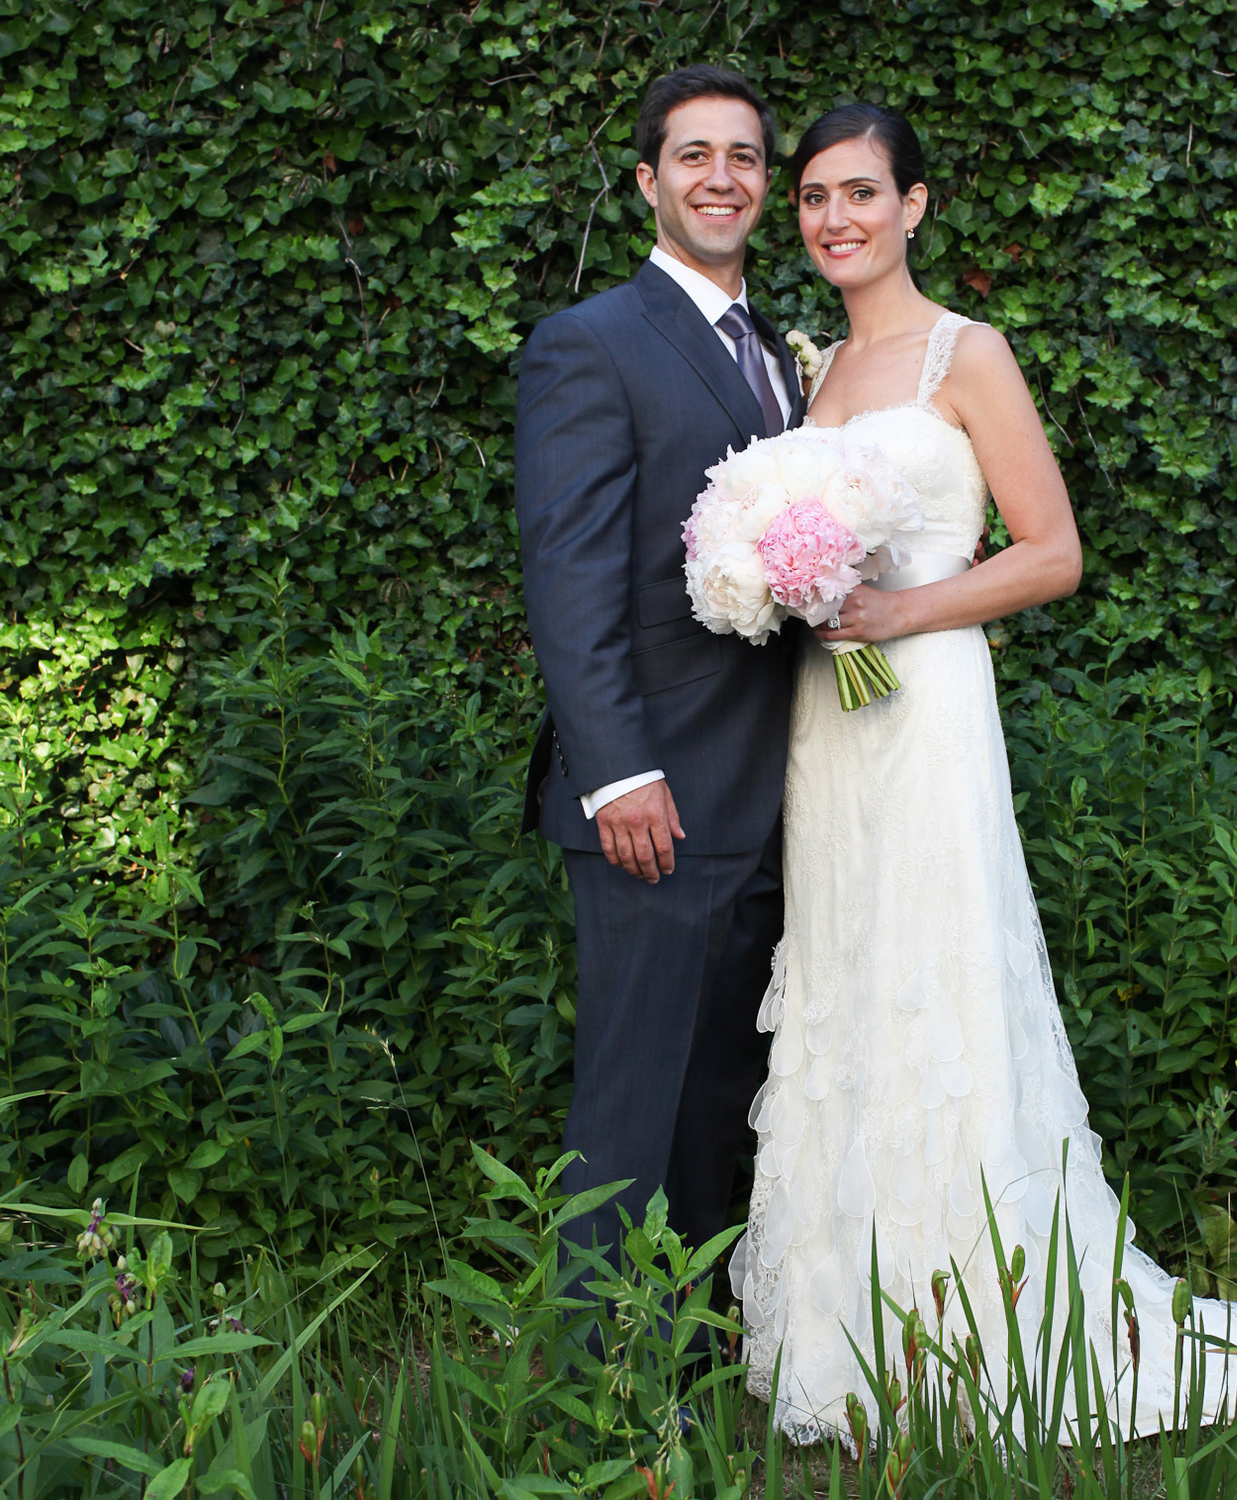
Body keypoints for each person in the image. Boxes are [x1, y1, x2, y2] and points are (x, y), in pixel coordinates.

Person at [729, 103, 1237, 1442]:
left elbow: (1052, 552)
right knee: (849, 981)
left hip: (924, 705)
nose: (834, 216)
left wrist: (897, 615)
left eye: (861, 191)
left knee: (940, 976)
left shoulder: (967, 358)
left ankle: (987, 1307)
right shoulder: (809, 376)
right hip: (831, 721)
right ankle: (856, 1328)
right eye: (813, 197)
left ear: (914, 205)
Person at [514, 65, 806, 1272]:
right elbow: (569, 576)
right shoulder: (591, 346)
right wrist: (618, 772)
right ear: (648, 181)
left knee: (714, 1099)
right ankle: (600, 1384)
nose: (721, 178)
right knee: (633, 1106)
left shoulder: (786, 362)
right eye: (695, 156)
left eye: (743, 158)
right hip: (657, 801)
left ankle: (686, 1352)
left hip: (772, 795)